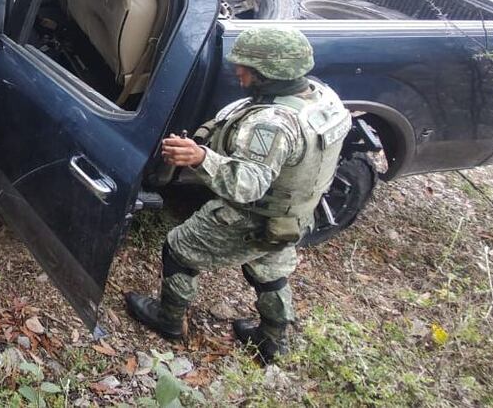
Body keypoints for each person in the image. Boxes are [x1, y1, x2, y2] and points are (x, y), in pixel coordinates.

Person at [124, 25, 351, 364]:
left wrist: (201, 158)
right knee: (269, 271)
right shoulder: (320, 99)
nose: (238, 71)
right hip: (292, 215)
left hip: (252, 215)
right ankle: (273, 340)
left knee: (179, 248)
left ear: (271, 73)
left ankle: (168, 320)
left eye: (248, 68)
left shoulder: (272, 124)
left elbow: (247, 185)